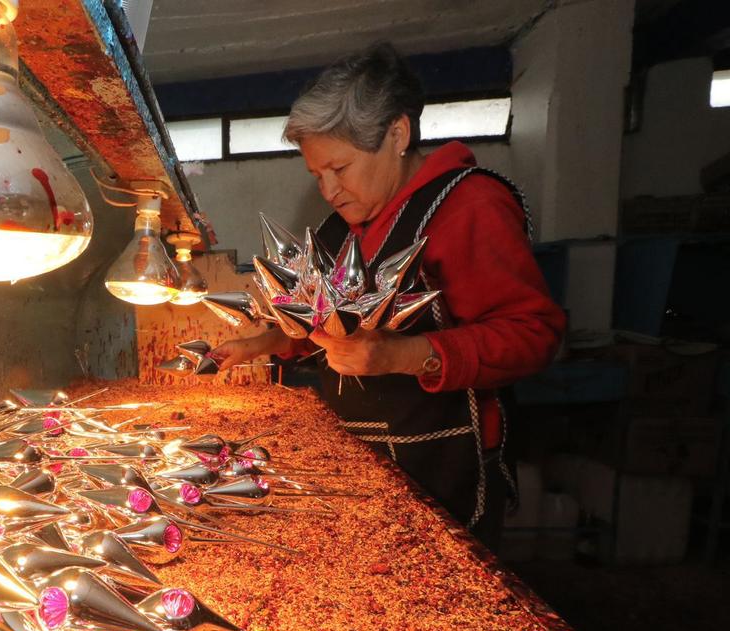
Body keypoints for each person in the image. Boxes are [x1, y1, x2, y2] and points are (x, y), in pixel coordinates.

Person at [211, 43, 566, 546]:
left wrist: (403, 355)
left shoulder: (468, 206)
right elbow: (330, 326)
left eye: (340, 168)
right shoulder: (342, 229)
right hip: (362, 457)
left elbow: (534, 335)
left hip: (443, 468)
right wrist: (268, 343)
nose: (329, 190)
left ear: (398, 134)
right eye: (316, 175)